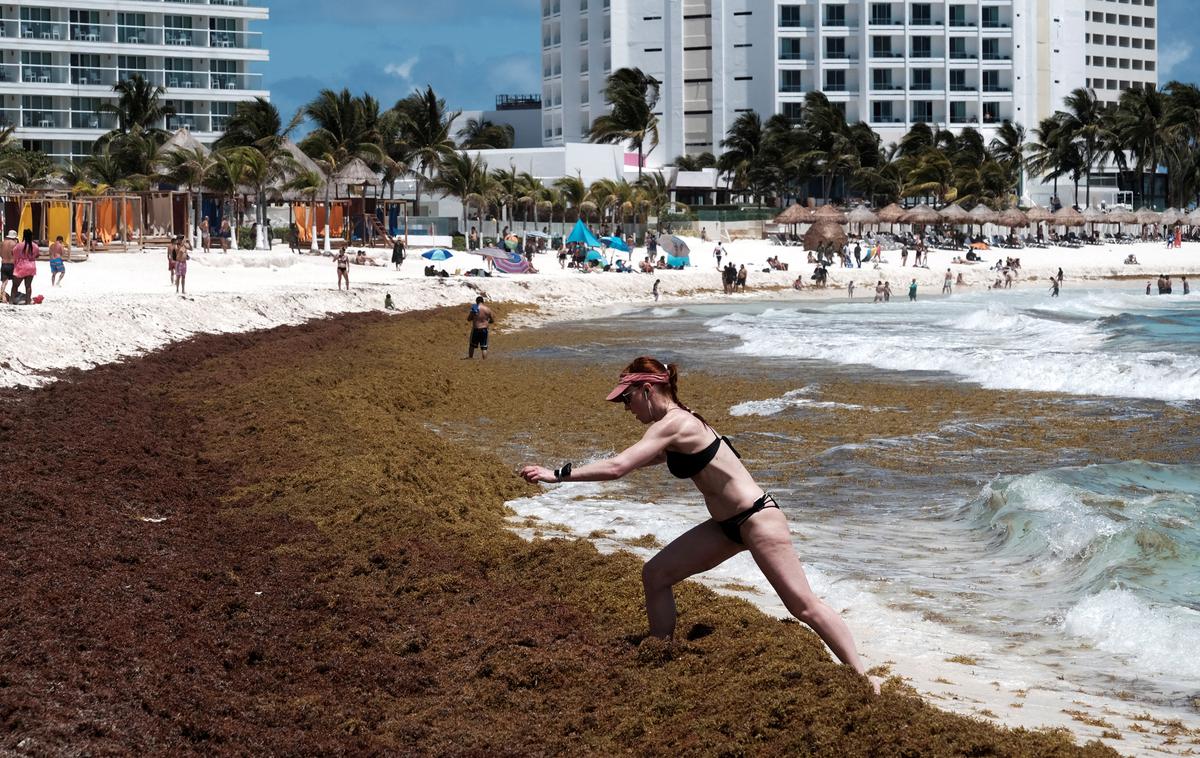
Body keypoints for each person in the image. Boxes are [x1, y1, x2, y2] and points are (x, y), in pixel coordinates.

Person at [518, 358, 882, 694]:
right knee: (656, 574)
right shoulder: (675, 426)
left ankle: (863, 680)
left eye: (627, 400)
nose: (626, 409)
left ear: (647, 390)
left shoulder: (675, 423)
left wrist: (558, 475)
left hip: (757, 519)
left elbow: (619, 467)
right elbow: (650, 458)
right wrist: (579, 467)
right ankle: (660, 654)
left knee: (802, 606)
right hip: (726, 527)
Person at [10, 229, 38, 304]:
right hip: (31, 266)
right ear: (32, 236)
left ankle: (11, 301)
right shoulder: (35, 246)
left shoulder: (19, 245)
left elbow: (13, 253)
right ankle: (28, 301)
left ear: (24, 236)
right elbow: (37, 255)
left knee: (15, 285)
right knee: (28, 286)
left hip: (21, 267)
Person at [466, 295, 494, 359]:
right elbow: (492, 320)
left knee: (472, 345)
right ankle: (484, 361)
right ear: (483, 301)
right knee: (484, 347)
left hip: (476, 328)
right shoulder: (487, 309)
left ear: (476, 301)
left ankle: (470, 358)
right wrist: (486, 322)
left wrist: (474, 317)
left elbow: (469, 319)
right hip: (484, 329)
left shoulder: (475, 308)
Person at [0, 230, 15, 303]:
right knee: (15, 282)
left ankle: (2, 297)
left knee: (4, 282)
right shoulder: (14, 243)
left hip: (4, 263)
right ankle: (13, 297)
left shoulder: (2, 243)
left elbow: (1, 254)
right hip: (12, 264)